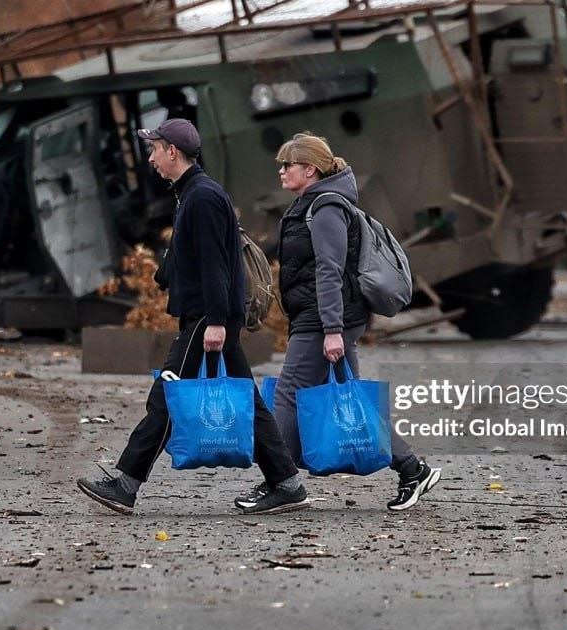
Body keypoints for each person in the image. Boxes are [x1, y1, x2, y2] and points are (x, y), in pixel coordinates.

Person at [77, 118, 309, 516]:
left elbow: (217, 264)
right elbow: (197, 253)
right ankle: (285, 483)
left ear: (173, 152)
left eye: (154, 150)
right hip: (208, 314)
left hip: (207, 317)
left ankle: (126, 484)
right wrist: (167, 272)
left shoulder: (201, 197)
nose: (150, 159)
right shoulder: (192, 193)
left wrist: (217, 321)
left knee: (168, 395)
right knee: (247, 402)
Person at [237, 133, 442, 511]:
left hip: (324, 320)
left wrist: (331, 330)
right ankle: (413, 470)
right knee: (354, 400)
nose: (281, 171)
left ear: (310, 169)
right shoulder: (309, 204)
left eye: (288, 165)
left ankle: (280, 483)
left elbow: (329, 272)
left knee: (288, 394)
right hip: (322, 318)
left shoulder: (326, 208)